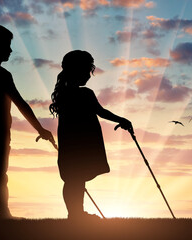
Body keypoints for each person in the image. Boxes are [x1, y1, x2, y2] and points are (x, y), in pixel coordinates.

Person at [0, 24, 55, 220]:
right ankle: (1, 212)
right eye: (7, 45)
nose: (10, 50)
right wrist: (40, 129)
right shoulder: (1, 75)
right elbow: (21, 104)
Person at [49, 50, 132, 220]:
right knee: (75, 179)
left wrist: (120, 119)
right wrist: (121, 120)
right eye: (87, 70)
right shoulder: (82, 94)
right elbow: (101, 112)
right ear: (77, 71)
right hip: (81, 144)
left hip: (73, 143)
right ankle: (75, 214)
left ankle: (76, 213)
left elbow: (100, 112)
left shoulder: (65, 94)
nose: (89, 75)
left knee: (75, 179)